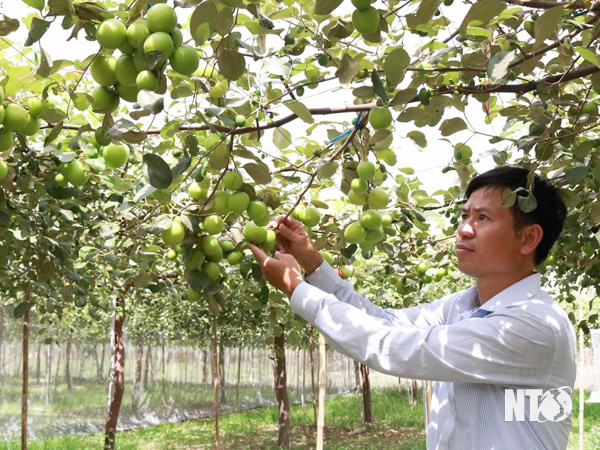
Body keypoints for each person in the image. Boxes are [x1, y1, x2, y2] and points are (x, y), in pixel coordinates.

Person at [248, 166, 577, 450]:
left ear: (528, 239)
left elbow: (394, 348)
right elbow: (386, 322)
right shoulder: (462, 307)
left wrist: (297, 289)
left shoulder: (533, 326)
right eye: (465, 215)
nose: (463, 229)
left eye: (483, 217)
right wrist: (313, 263)